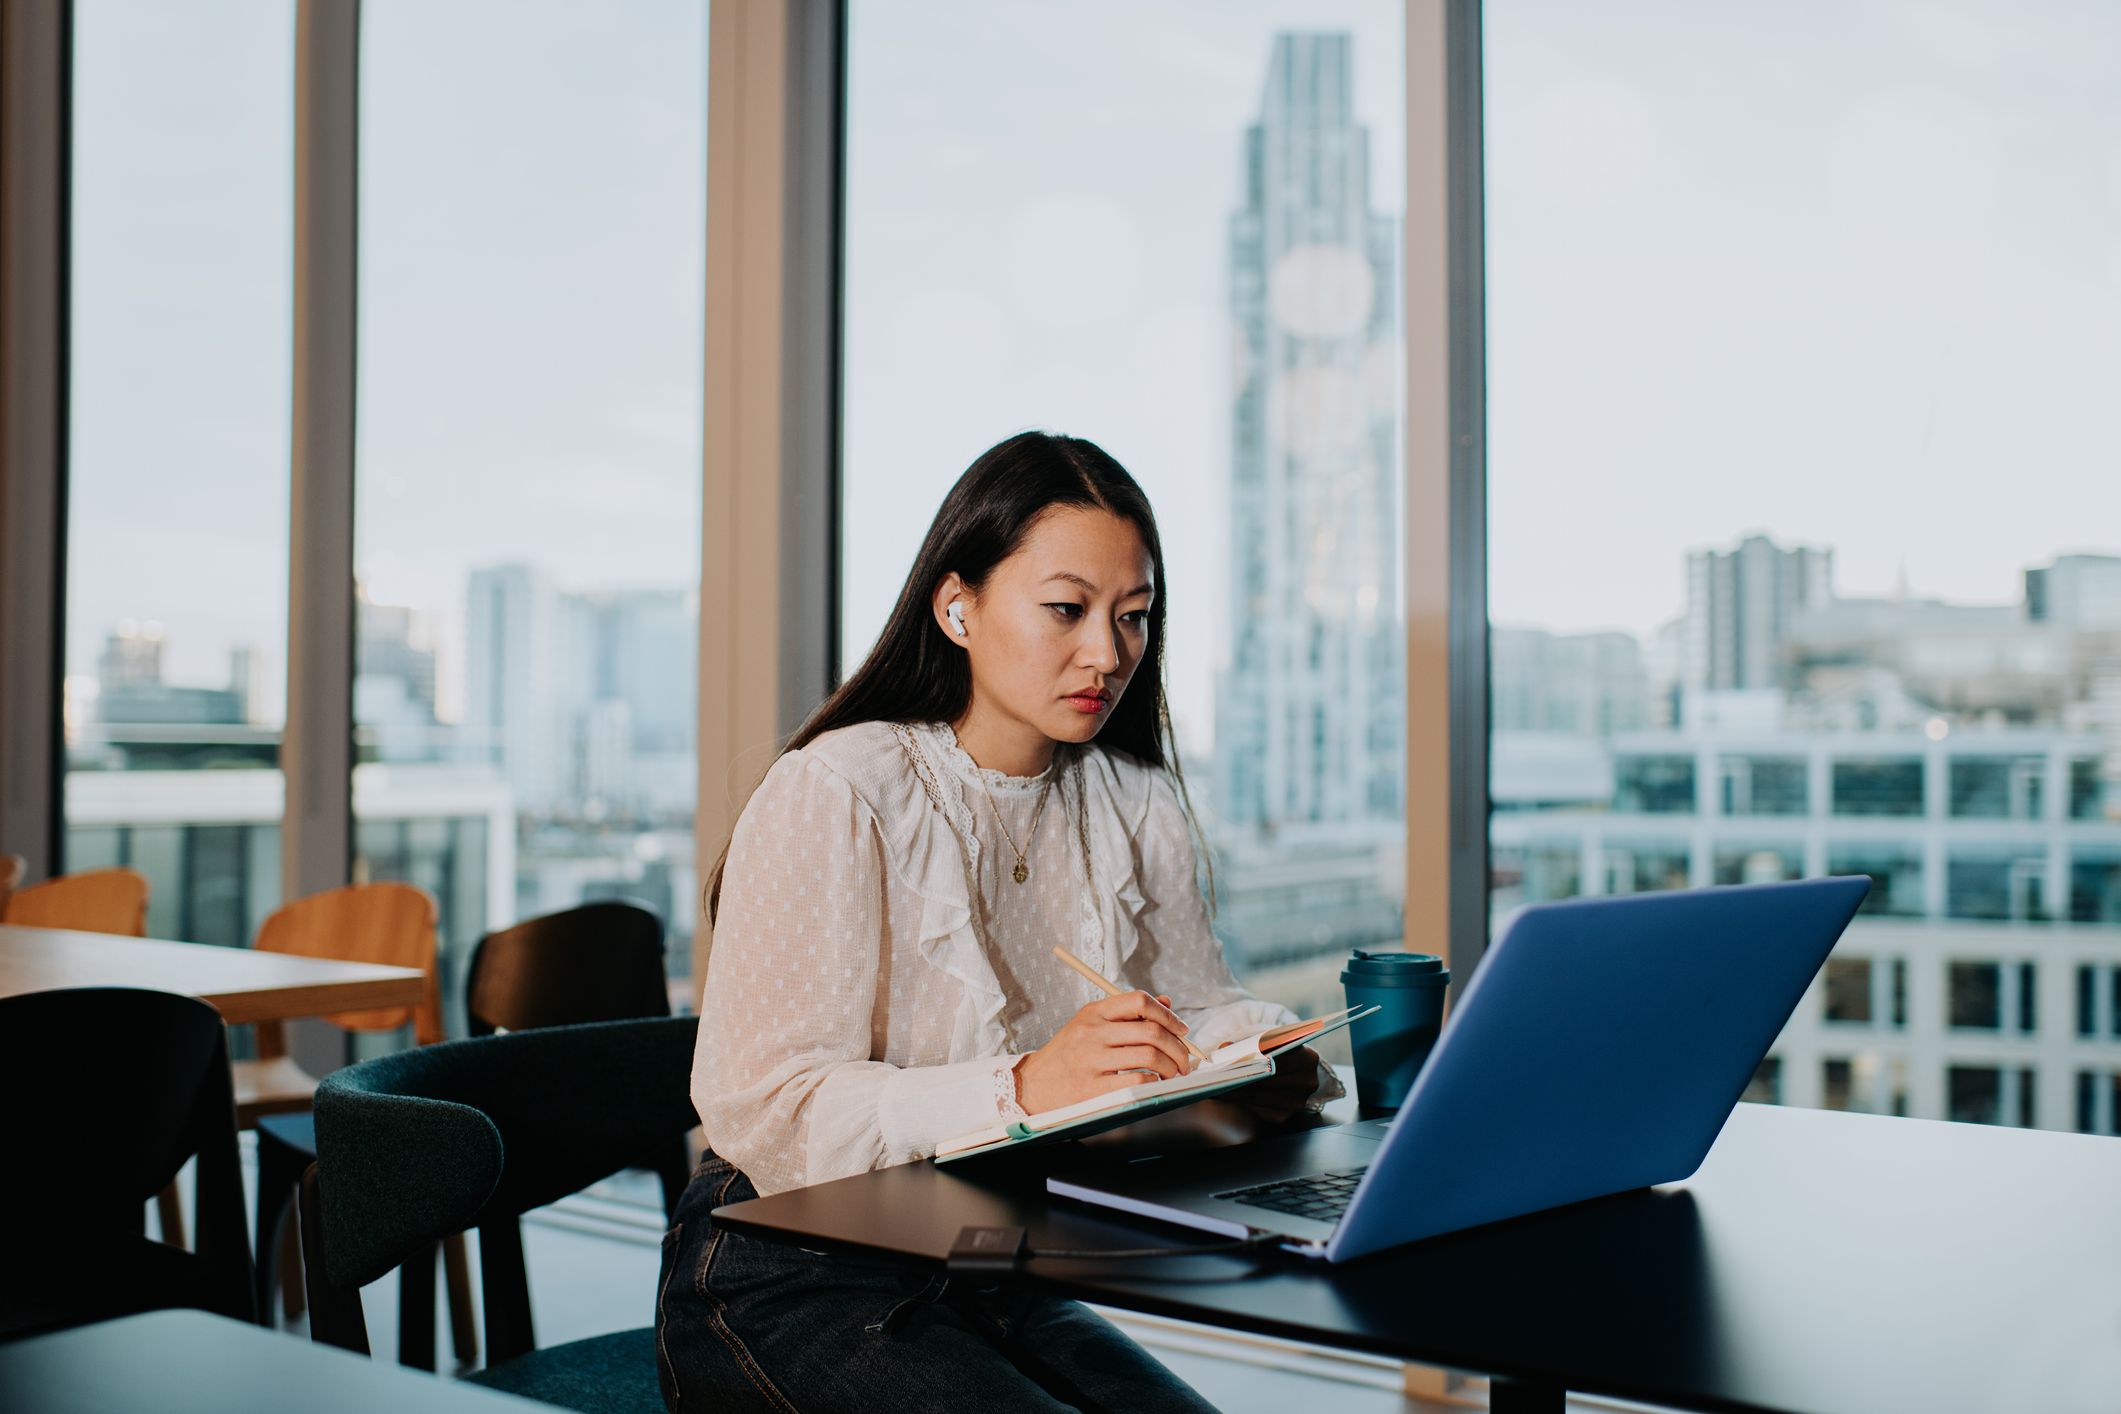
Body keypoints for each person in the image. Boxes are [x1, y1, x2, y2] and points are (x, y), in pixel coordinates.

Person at [655, 430, 1342, 1413]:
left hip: (984, 1264)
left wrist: (1259, 1052)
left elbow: (1197, 1009)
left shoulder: (1132, 799)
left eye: (1134, 616)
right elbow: (766, 1106)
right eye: (1067, 608)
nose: (1108, 653)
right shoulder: (842, 790)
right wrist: (1023, 1083)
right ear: (956, 604)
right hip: (787, 1267)